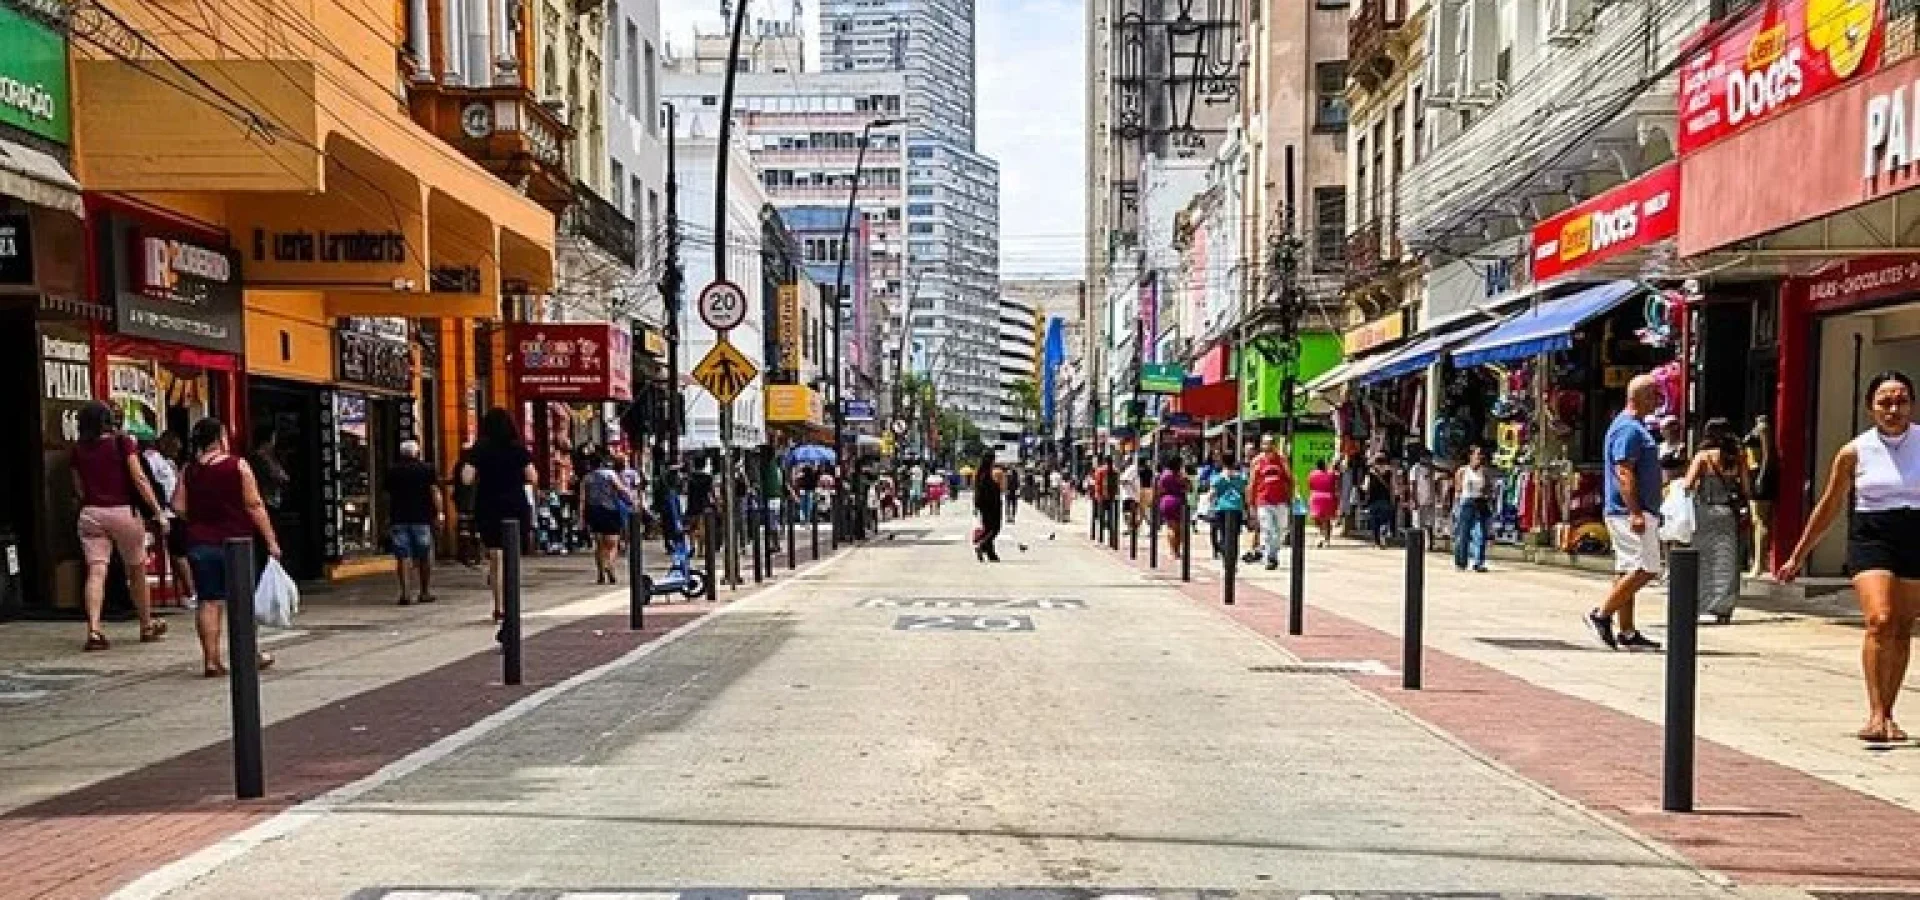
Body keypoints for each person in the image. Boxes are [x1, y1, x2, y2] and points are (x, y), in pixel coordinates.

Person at [1777, 371, 1920, 743]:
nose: (1893, 410)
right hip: (1872, 536)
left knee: (1901, 626)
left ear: (1912, 405)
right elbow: (1829, 506)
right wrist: (1798, 555)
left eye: (1901, 401)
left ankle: (1889, 713)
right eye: (1885, 402)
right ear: (1870, 407)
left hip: (1915, 534)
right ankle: (1875, 714)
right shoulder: (1855, 451)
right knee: (1880, 619)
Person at [172, 417, 282, 677]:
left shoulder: (189, 470)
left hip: (200, 543)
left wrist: (199, 519)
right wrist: (271, 540)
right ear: (220, 438)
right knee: (242, 601)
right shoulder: (237, 465)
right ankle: (248, 655)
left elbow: (178, 506)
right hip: (236, 544)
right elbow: (254, 505)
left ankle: (211, 660)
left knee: (208, 601)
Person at [71, 402, 169, 651]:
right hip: (123, 511)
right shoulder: (122, 443)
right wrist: (157, 511)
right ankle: (146, 624)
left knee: (96, 571)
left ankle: (94, 629)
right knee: (136, 568)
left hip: (91, 513)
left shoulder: (78, 449)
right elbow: (139, 478)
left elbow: (78, 488)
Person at [1586, 374, 1666, 652]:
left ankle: (1627, 631)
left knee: (1627, 570)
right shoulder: (1628, 429)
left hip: (1633, 510)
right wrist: (1635, 512)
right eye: (1655, 395)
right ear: (1642, 396)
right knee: (1645, 568)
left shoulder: (1634, 427)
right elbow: (1624, 472)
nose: (1659, 400)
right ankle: (1601, 614)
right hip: (1628, 512)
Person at [461, 408, 536, 625]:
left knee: (496, 556)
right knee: (511, 555)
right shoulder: (518, 448)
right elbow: (532, 476)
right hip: (515, 505)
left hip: (489, 504)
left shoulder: (480, 449)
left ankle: (499, 606)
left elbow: (466, 478)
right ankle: (511, 603)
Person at [1686, 418, 1751, 625]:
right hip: (1727, 513)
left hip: (1705, 511)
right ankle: (1724, 607)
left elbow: (1688, 484)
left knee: (1704, 558)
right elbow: (1746, 488)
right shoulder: (1738, 456)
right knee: (1727, 559)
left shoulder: (1703, 457)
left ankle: (1700, 604)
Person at [386, 440, 442, 605]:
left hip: (399, 518)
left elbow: (386, 496)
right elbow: (434, 491)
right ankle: (424, 591)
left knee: (403, 556)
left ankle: (405, 593)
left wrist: (387, 517)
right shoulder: (427, 469)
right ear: (417, 452)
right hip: (422, 519)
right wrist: (439, 513)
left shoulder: (393, 471)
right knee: (424, 556)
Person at [149, 432, 196, 607]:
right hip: (166, 512)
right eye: (174, 449)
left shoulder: (169, 463)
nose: (176, 453)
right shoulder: (153, 460)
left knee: (181, 552)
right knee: (179, 553)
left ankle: (186, 591)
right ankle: (190, 592)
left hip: (176, 512)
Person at [578, 452, 636, 585]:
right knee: (612, 544)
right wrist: (631, 500)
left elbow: (582, 500)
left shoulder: (586, 478)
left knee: (599, 545)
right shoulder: (610, 474)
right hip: (610, 511)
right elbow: (621, 489)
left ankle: (600, 575)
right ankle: (609, 565)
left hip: (593, 512)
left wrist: (581, 518)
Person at [1248, 436, 1293, 570]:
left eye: (1270, 444)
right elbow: (1252, 483)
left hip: (1281, 501)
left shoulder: (1282, 460)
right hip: (1263, 500)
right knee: (1267, 530)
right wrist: (1251, 503)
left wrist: (1291, 497)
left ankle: (1272, 552)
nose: (1268, 446)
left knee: (1281, 530)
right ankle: (1270, 558)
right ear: (1261, 445)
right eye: (1265, 444)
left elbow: (1289, 479)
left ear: (1274, 445)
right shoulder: (1257, 461)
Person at [1452, 446, 1494, 572]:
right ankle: (1461, 562)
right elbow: (1458, 490)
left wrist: (1487, 495)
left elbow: (1489, 488)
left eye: (1481, 454)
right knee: (1463, 534)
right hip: (1466, 503)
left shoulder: (1484, 472)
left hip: (1480, 502)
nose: (1480, 457)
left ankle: (1478, 562)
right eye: (1477, 454)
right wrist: (1456, 507)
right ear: (1471, 456)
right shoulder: (1462, 471)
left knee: (1480, 533)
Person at [1746, 415, 1777, 579]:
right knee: (1755, 520)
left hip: (1759, 473)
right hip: (1753, 472)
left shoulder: (1763, 429)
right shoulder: (1757, 429)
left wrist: (1762, 476)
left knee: (1760, 520)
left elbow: (1767, 454)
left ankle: (1759, 563)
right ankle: (1757, 561)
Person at [1210, 454, 1248, 561]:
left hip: (1221, 508)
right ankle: (1232, 561)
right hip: (1237, 508)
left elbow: (1212, 494)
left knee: (1223, 534)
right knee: (1235, 536)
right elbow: (1246, 493)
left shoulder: (1217, 477)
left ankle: (1224, 555)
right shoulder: (1241, 477)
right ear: (1234, 462)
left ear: (1222, 462)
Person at [1156, 457, 1190, 559]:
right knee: (1179, 529)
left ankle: (1172, 552)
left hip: (1167, 501)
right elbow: (1189, 488)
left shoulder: (1165, 475)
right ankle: (1177, 551)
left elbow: (1159, 489)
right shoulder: (1181, 475)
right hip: (1180, 502)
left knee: (1171, 527)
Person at [972, 451, 1002, 562]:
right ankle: (981, 544)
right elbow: (988, 489)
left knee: (988, 528)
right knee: (995, 528)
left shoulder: (980, 472)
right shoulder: (986, 474)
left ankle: (991, 554)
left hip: (983, 504)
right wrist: (996, 486)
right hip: (991, 504)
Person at [1363, 455, 1397, 549]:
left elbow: (1365, 488)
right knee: (1384, 520)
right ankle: (1383, 537)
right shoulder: (1390, 472)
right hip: (1385, 499)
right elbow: (1393, 487)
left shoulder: (1370, 472)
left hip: (1373, 500)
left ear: (1375, 462)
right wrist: (1393, 499)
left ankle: (1377, 541)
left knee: (1374, 521)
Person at [685, 455, 715, 556]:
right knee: (702, 527)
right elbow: (710, 492)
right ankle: (700, 550)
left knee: (692, 527)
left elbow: (686, 490)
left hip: (692, 504)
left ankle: (692, 546)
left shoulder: (690, 477)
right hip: (704, 504)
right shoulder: (708, 478)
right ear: (704, 464)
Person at [1307, 460, 1339, 548]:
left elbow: (1310, 486)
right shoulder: (1331, 474)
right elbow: (1336, 484)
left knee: (1317, 518)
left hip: (1315, 498)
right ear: (1325, 466)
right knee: (1327, 520)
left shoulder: (1312, 474)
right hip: (1328, 498)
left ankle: (1321, 534)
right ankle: (1327, 539)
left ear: (1316, 466)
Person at [1407, 450, 1437, 542]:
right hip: (1419, 500)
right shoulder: (1415, 468)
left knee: (1430, 523)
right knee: (1418, 524)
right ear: (1422, 458)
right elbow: (1412, 484)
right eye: (1427, 458)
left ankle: (1430, 544)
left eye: (1430, 458)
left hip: (1430, 500)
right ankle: (1418, 543)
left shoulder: (1432, 468)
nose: (1429, 460)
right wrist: (1413, 499)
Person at [1658, 417, 1689, 486]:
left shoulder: (1681, 447)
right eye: (1661, 429)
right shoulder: (1660, 447)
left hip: (1676, 486)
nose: (1661, 431)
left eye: (1664, 428)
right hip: (1662, 485)